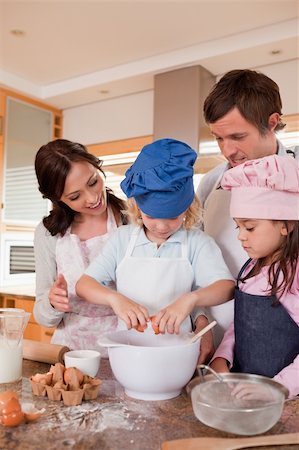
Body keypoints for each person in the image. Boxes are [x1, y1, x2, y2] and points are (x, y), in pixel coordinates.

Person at [76, 138, 234, 343]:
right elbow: (84, 285)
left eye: (173, 217)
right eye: (151, 217)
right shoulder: (122, 239)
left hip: (179, 350)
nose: (162, 227)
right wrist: (114, 299)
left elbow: (226, 288)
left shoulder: (197, 242)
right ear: (137, 208)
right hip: (130, 348)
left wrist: (191, 299)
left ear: (188, 207)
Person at [196, 69, 299, 345]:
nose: (227, 151)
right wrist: (199, 319)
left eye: (238, 137)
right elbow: (193, 261)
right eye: (218, 138)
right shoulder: (211, 183)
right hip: (219, 344)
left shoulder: (296, 175)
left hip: (286, 349)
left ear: (272, 122)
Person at [210, 155, 299, 398]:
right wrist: (222, 356)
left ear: (286, 225)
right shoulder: (251, 268)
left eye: (250, 227)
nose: (240, 236)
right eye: (238, 227)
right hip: (244, 389)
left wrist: (279, 387)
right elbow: (243, 323)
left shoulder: (294, 276)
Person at [33, 139, 127, 351]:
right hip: (71, 354)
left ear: (96, 166)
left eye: (93, 182)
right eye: (75, 196)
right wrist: (52, 303)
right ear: (58, 199)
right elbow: (42, 316)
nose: (93, 198)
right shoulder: (48, 234)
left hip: (127, 348)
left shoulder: (133, 219)